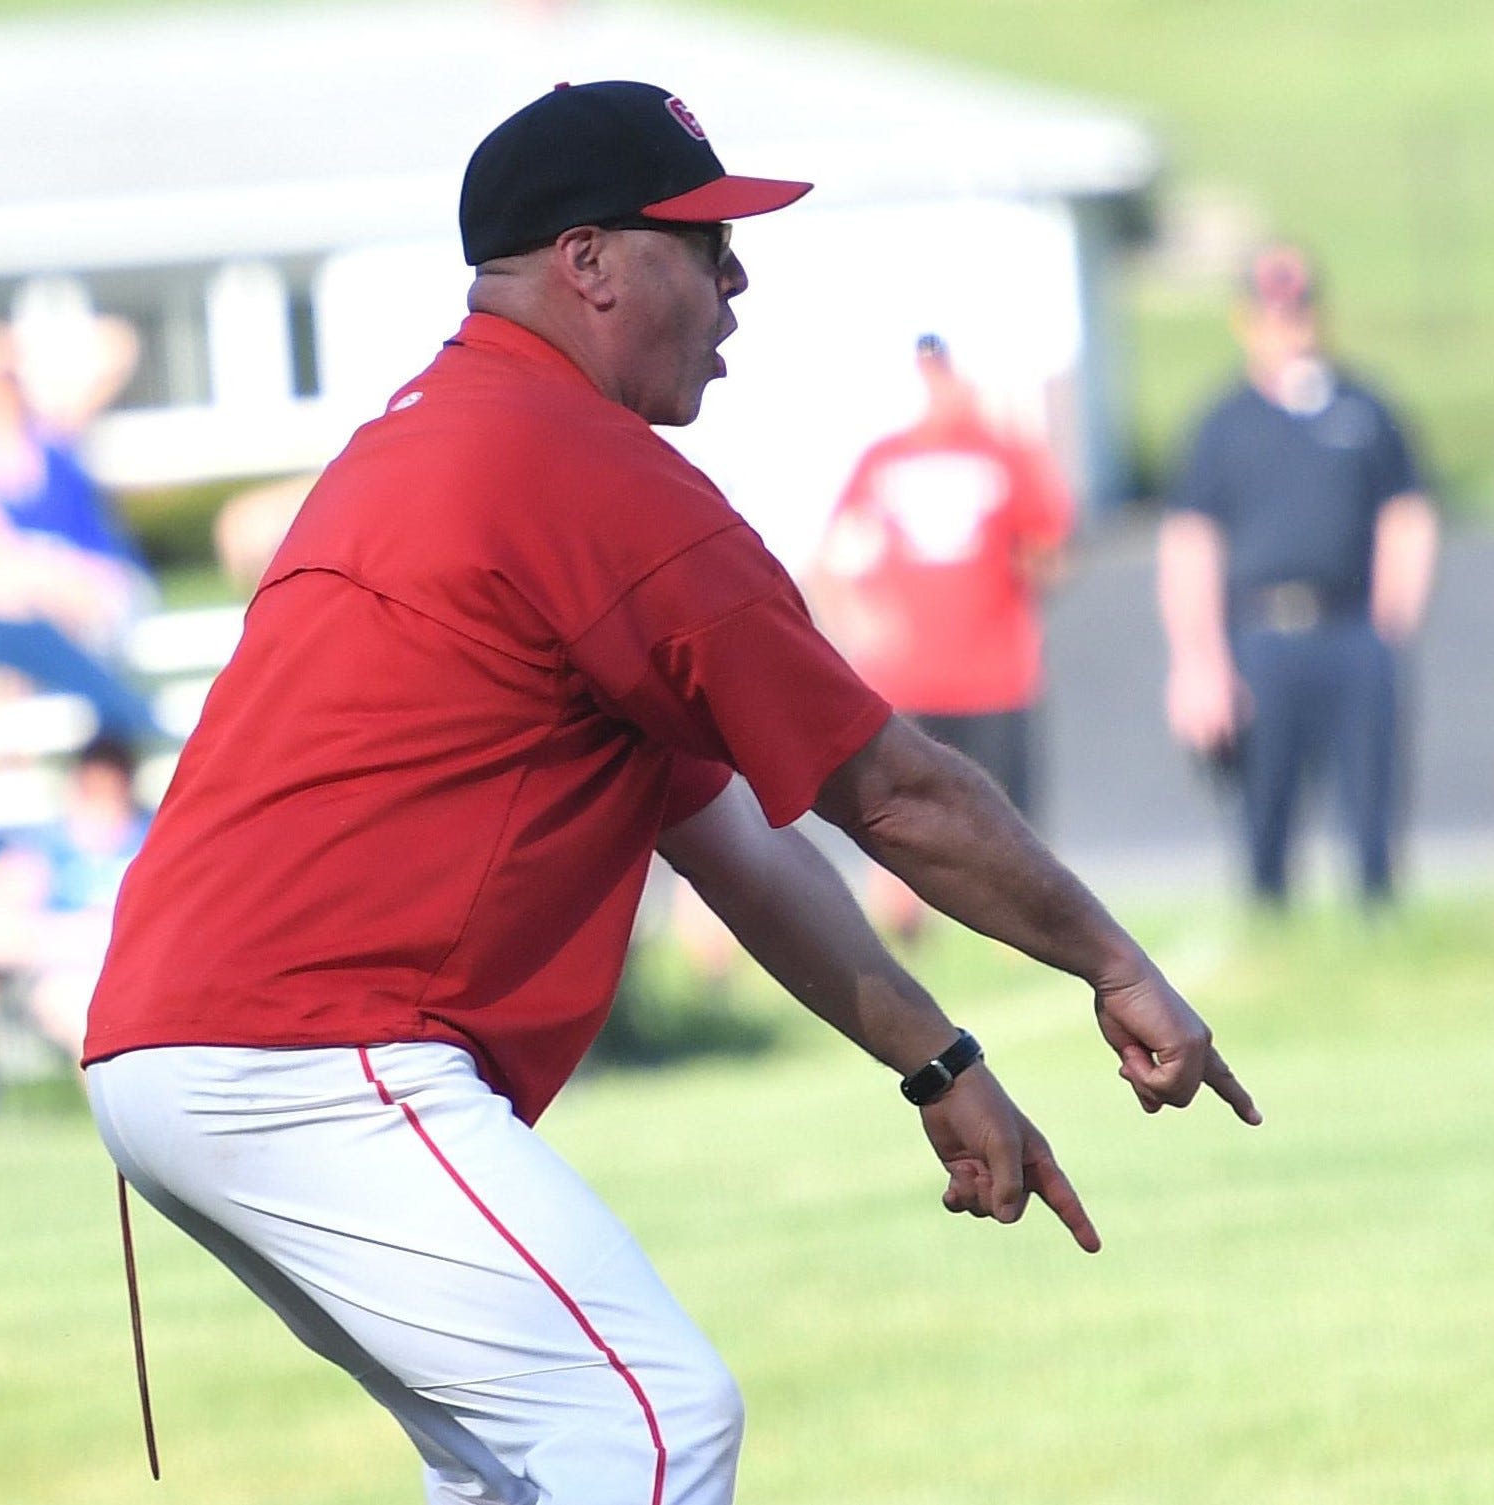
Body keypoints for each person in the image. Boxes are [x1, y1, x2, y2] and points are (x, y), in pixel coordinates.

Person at [82, 81, 1259, 1505]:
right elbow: (894, 794)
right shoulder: (580, 470)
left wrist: (938, 1063)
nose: (735, 278)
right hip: (311, 1054)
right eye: (700, 242)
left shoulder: (433, 442)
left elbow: (736, 849)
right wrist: (1113, 964)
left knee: (523, 1466)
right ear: (586, 263)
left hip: (200, 1048)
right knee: (651, 1426)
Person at [1158, 243, 1439, 905]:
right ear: (1246, 320)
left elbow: (1406, 513)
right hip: (1261, 632)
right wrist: (1197, 660)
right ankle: (1268, 924)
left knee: (1371, 810)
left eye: (1297, 310)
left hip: (1350, 625)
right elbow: (1190, 543)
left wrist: (1393, 614)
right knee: (1264, 815)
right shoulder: (1221, 425)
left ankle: (1376, 922)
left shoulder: (1364, 410)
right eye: (1270, 313)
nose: (1286, 327)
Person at [806, 331, 1075, 933]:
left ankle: (1018, 929)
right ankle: (907, 918)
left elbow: (1049, 550)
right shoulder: (884, 459)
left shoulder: (1005, 454)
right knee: (904, 812)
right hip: (909, 677)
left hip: (994, 668)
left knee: (1006, 814)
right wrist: (859, 625)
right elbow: (831, 558)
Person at [0, 315, 161, 740]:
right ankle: (19, 753)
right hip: (26, 602)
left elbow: (120, 345)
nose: (5, 384)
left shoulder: (55, 426)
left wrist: (45, 350)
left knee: (5, 608)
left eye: (10, 372)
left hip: (97, 590)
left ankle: (25, 754)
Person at [0, 734, 150, 1062]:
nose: (103, 801)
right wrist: (78, 937)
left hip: (142, 969)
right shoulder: (44, 848)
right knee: (85, 1011)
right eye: (94, 787)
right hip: (69, 974)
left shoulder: (151, 835)